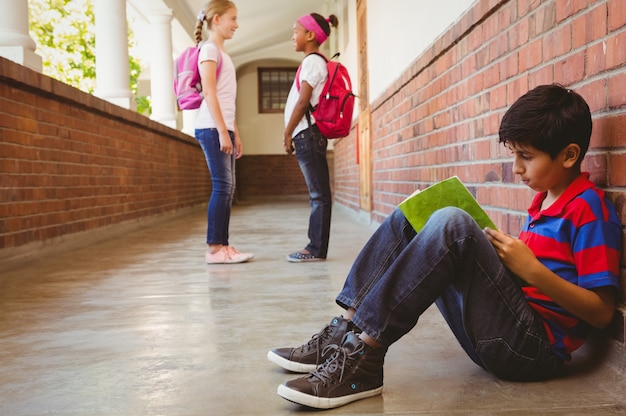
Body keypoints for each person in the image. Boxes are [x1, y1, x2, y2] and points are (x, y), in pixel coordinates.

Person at [267, 84, 622, 409]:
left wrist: (532, 270)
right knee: (420, 211)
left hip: (529, 351)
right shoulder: (542, 202)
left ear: (569, 155)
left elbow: (602, 313)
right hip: (501, 333)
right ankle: (343, 333)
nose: (516, 169)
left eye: (526, 157)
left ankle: (364, 360)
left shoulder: (590, 209)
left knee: (452, 223)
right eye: (514, 155)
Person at [194, 0, 252, 264]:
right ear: (216, 20)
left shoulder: (221, 52)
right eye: (232, 18)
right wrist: (222, 132)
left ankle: (223, 245)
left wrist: (234, 132)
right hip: (211, 126)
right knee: (222, 187)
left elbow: (227, 99)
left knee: (228, 188)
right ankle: (215, 249)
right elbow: (209, 92)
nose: (236, 24)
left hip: (222, 126)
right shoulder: (208, 49)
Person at [283, 13, 339, 263]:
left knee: (319, 195)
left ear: (310, 35)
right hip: (307, 135)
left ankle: (315, 249)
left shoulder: (313, 62)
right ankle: (316, 247)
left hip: (308, 134)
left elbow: (303, 100)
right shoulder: (311, 62)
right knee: (318, 194)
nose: (292, 36)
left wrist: (287, 132)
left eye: (295, 30)